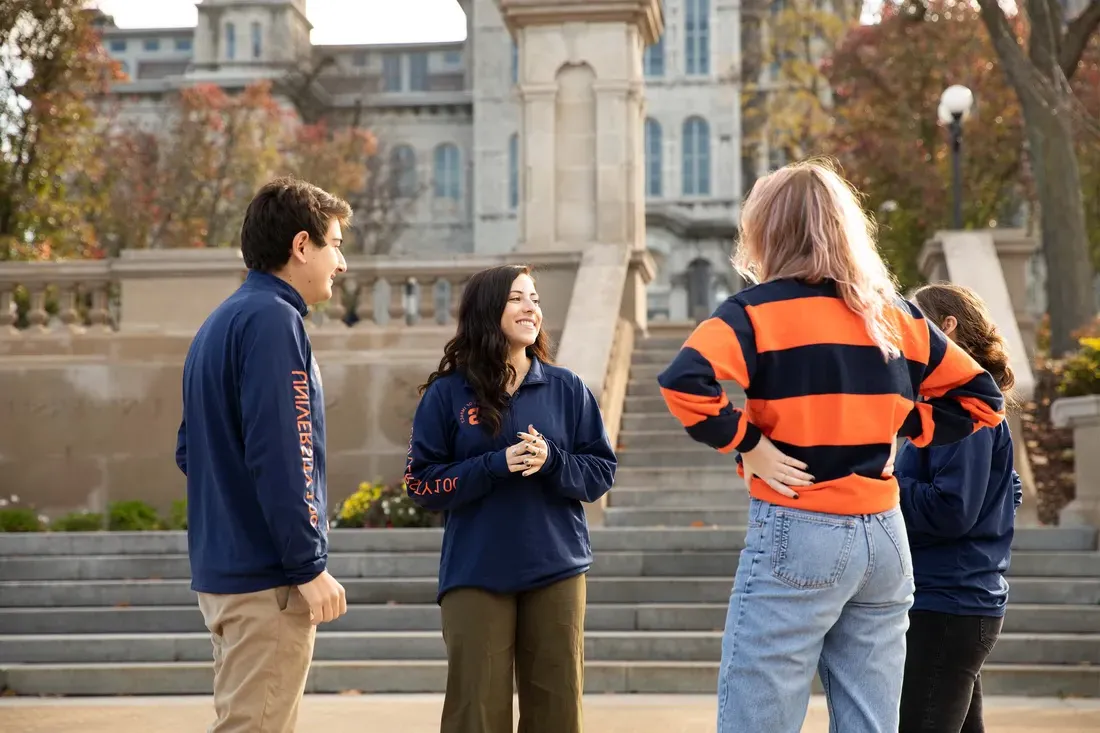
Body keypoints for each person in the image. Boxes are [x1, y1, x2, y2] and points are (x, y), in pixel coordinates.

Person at [656, 159, 1006, 733]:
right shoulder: (894, 313)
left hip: (800, 527)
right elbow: (983, 398)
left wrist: (749, 444)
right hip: (885, 537)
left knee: (758, 717)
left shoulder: (755, 311)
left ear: (767, 230)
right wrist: (900, 422)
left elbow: (683, 383)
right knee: (871, 722)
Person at [404, 264, 616, 733]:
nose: (531, 308)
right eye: (517, 298)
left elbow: (601, 472)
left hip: (556, 568)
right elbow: (422, 484)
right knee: (474, 713)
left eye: (535, 298)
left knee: (557, 712)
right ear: (487, 309)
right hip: (475, 571)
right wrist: (496, 466)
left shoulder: (568, 390)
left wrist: (553, 461)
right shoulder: (446, 394)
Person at [174, 177, 351, 733]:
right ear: (302, 246)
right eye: (335, 245)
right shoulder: (276, 322)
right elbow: (287, 451)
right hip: (265, 583)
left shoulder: (218, 323)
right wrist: (307, 564)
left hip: (224, 572)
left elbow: (190, 450)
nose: (340, 264)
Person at [896, 283, 1023, 733]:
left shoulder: (961, 408)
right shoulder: (954, 404)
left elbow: (952, 510)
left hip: (947, 606)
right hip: (954, 603)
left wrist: (884, 482)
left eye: (914, 322)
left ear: (946, 326)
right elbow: (1007, 489)